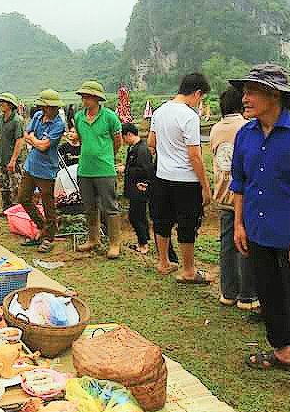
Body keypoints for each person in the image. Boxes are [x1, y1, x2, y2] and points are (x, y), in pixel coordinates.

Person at [229, 64, 290, 412]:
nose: (245, 97)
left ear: (275, 96)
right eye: (245, 90)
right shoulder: (246, 134)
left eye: (252, 91)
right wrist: (239, 225)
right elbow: (239, 183)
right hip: (256, 231)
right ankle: (282, 350)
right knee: (269, 294)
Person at [148, 73, 212, 279]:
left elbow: (151, 142)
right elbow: (194, 155)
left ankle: (164, 262)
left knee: (162, 219)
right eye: (201, 98)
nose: (199, 102)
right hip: (186, 180)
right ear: (197, 93)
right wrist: (205, 186)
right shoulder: (189, 116)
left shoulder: (159, 112)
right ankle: (188, 270)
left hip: (162, 176)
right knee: (187, 222)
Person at [210, 87, 257, 311]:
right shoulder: (247, 127)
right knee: (245, 243)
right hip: (243, 196)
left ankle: (228, 292)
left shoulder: (216, 128)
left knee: (227, 244)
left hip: (221, 193)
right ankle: (247, 295)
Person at [68, 81, 123, 258]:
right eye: (83, 96)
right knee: (89, 206)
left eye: (88, 96)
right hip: (85, 169)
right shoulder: (78, 117)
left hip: (105, 169)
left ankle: (115, 243)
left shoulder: (109, 117)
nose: (84, 99)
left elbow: (118, 142)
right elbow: (81, 139)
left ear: (97, 99)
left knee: (110, 206)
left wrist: (106, 156)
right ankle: (93, 239)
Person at [17, 89, 66, 254]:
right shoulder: (38, 116)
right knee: (23, 197)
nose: (51, 109)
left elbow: (44, 146)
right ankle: (42, 227)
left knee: (48, 203)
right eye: (48, 106)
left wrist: (34, 140)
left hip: (46, 170)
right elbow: (27, 134)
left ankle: (49, 237)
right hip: (31, 166)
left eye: (54, 107)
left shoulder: (59, 124)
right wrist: (36, 140)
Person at [120, 122, 153, 254]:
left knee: (135, 216)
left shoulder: (142, 149)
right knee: (140, 215)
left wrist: (126, 170)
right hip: (134, 188)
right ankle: (145, 240)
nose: (123, 141)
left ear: (129, 134)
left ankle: (143, 244)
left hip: (140, 188)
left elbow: (145, 170)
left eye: (123, 137)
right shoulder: (134, 148)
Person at [0, 92, 25, 213]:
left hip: (14, 159)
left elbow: (19, 141)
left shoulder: (17, 120)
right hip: (2, 157)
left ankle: (18, 210)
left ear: (11, 105)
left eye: (4, 102)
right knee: (3, 184)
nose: (0, 104)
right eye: (0, 102)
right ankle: (5, 208)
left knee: (16, 185)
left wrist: (13, 160)